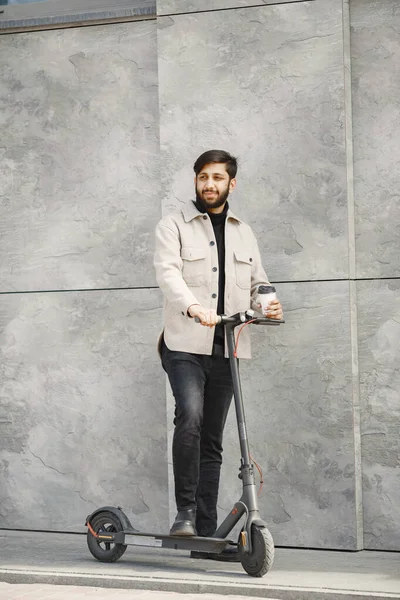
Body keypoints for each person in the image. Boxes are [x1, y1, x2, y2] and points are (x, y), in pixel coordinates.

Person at [154, 150, 283, 561]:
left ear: (232, 183)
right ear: (196, 180)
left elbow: (259, 282)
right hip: (184, 345)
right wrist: (193, 307)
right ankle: (186, 514)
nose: (209, 184)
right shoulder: (173, 225)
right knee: (189, 417)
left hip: (229, 348)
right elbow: (168, 273)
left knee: (213, 438)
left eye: (217, 178)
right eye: (203, 177)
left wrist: (270, 305)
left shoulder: (244, 233)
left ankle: (205, 532)